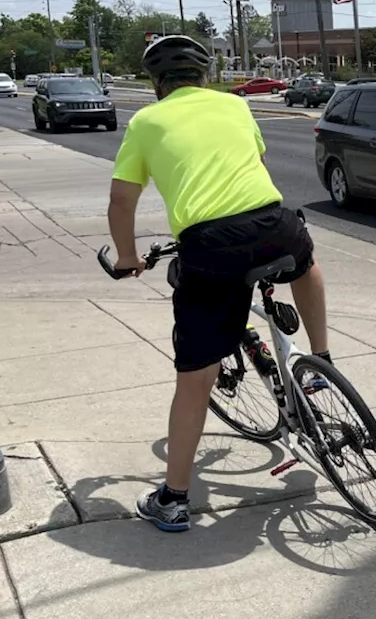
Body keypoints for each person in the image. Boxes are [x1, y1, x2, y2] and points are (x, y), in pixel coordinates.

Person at [107, 35, 332, 532]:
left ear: (155, 83)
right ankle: (319, 362)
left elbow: (122, 203)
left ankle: (173, 499)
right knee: (305, 262)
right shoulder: (235, 106)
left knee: (195, 379)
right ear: (205, 75)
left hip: (211, 246)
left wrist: (127, 257)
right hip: (274, 223)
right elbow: (254, 165)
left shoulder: (146, 121)